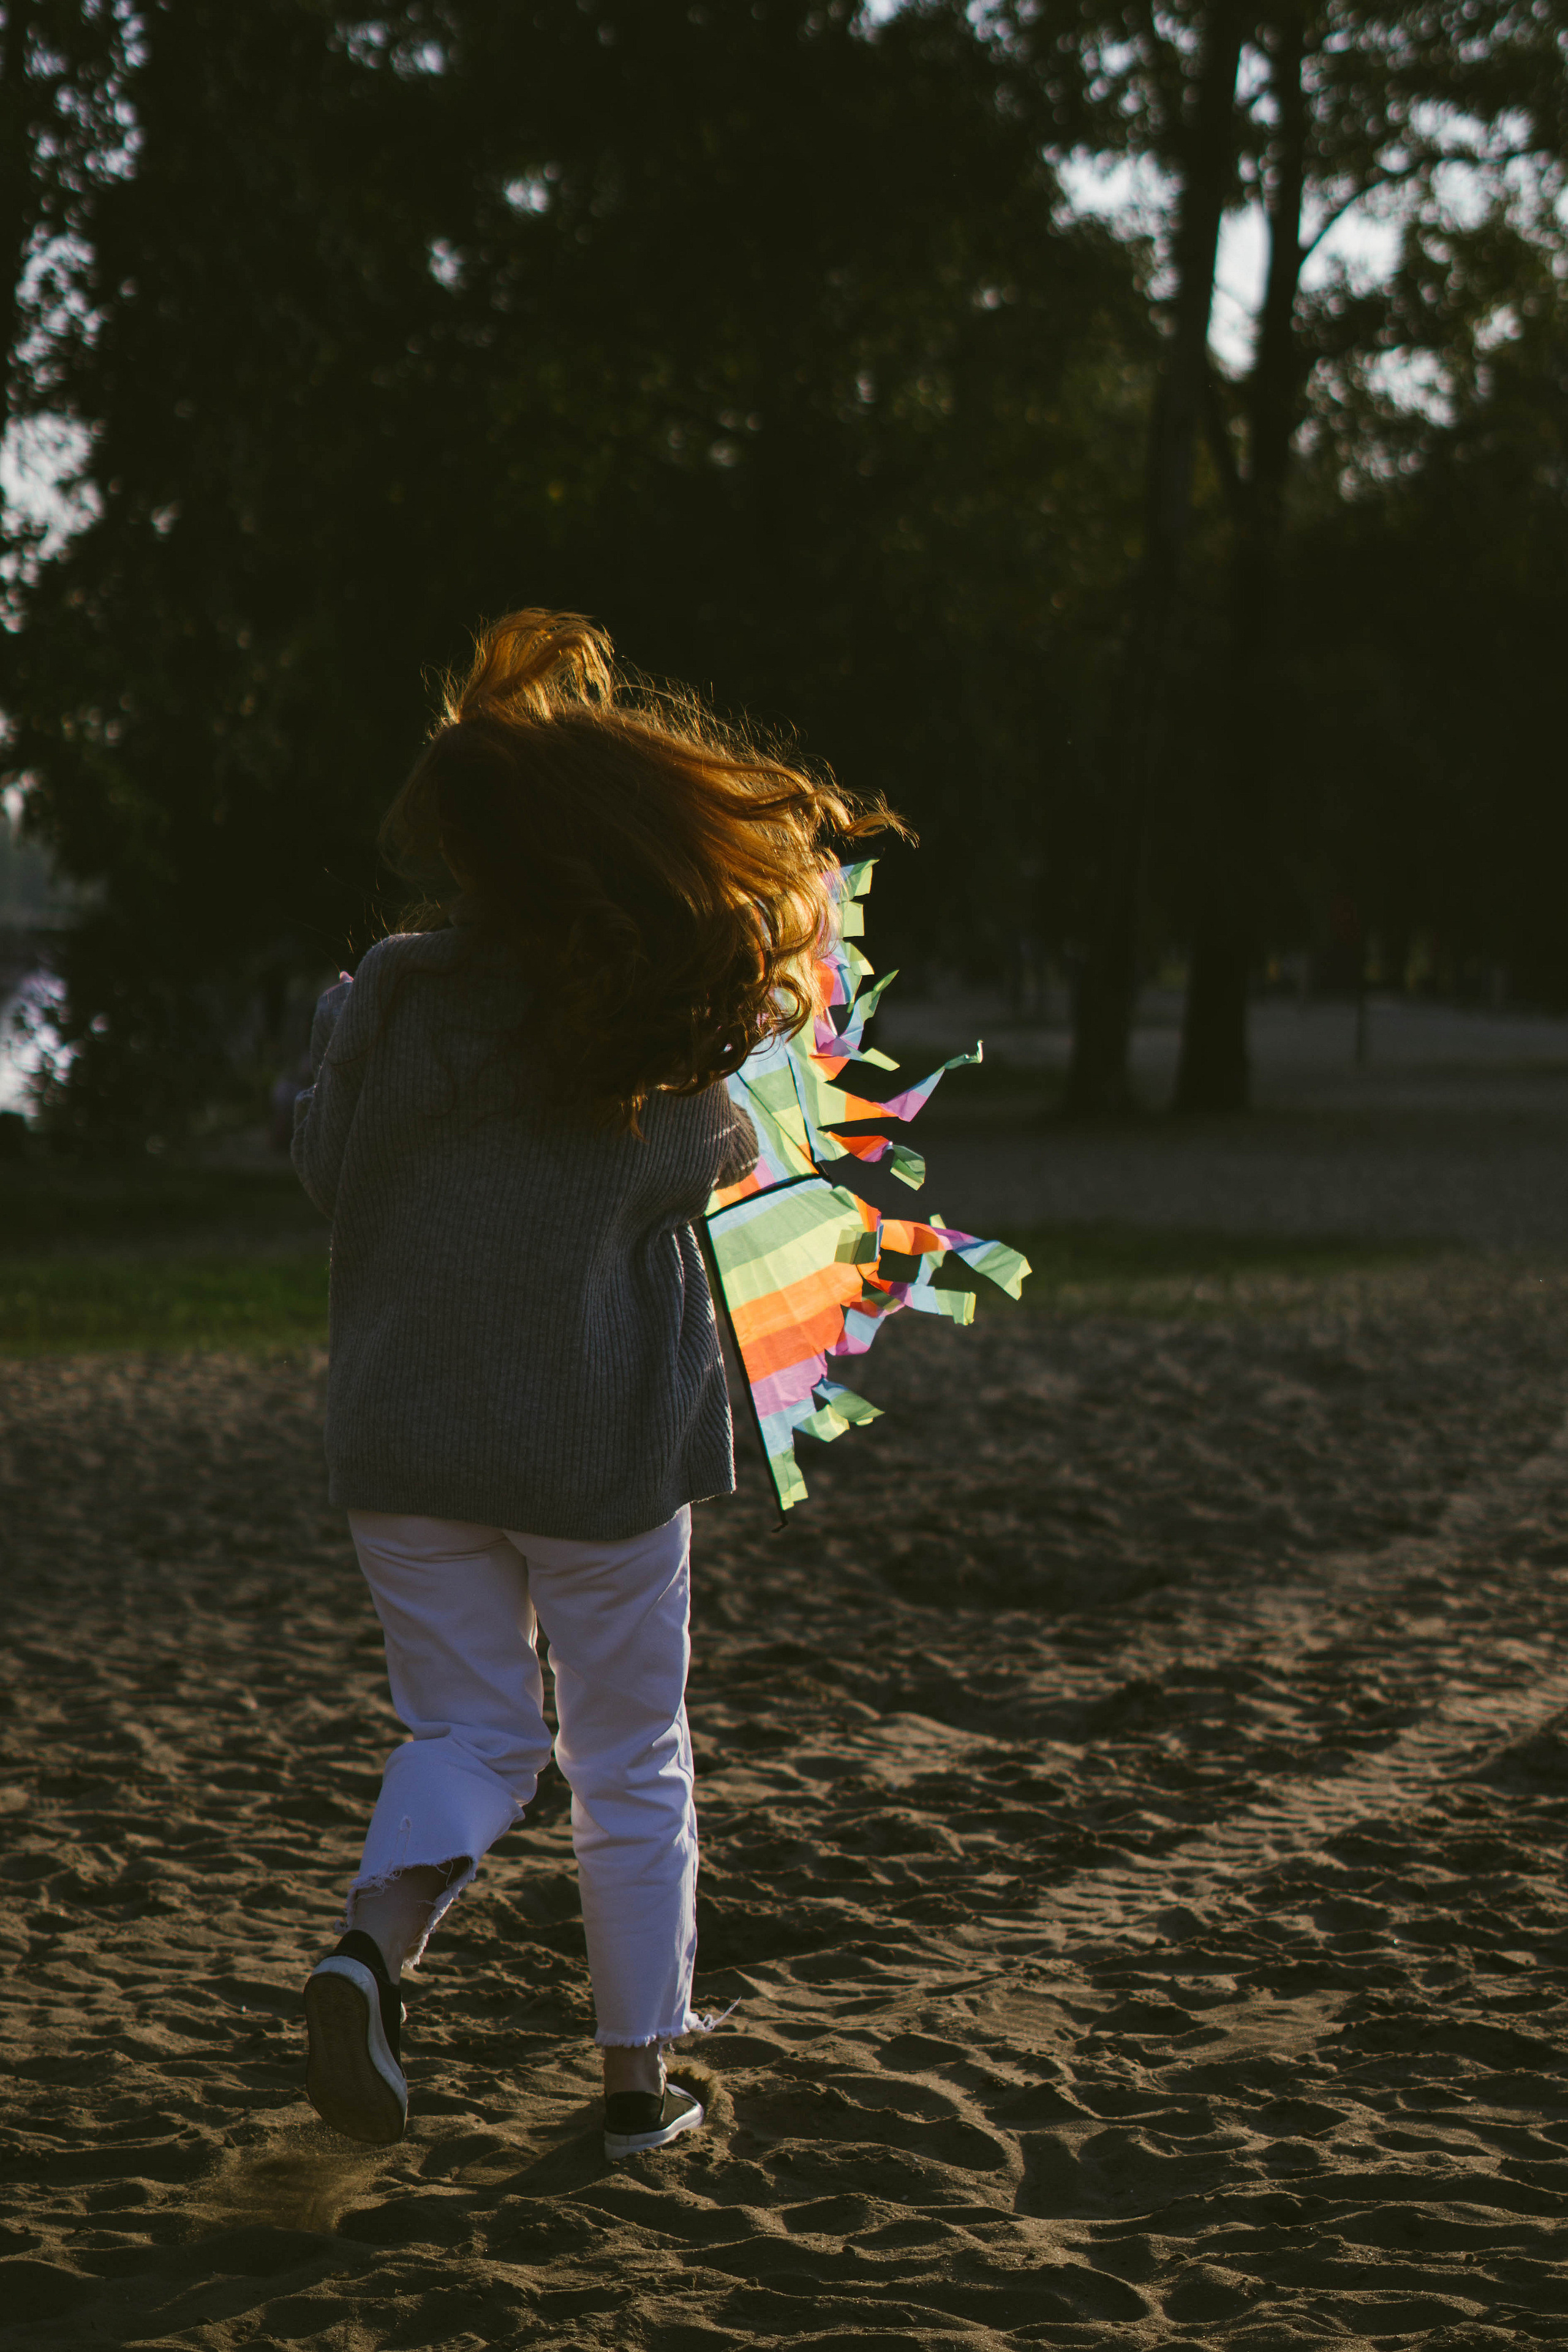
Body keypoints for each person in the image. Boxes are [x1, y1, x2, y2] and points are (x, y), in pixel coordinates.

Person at [291, 609, 894, 2160]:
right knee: (628, 1758)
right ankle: (637, 2095)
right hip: (597, 1449)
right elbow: (717, 1169)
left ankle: (370, 1953)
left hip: (407, 1432)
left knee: (466, 1735)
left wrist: (330, 1054)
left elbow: (326, 1178)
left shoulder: (398, 991)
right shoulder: (646, 1013)